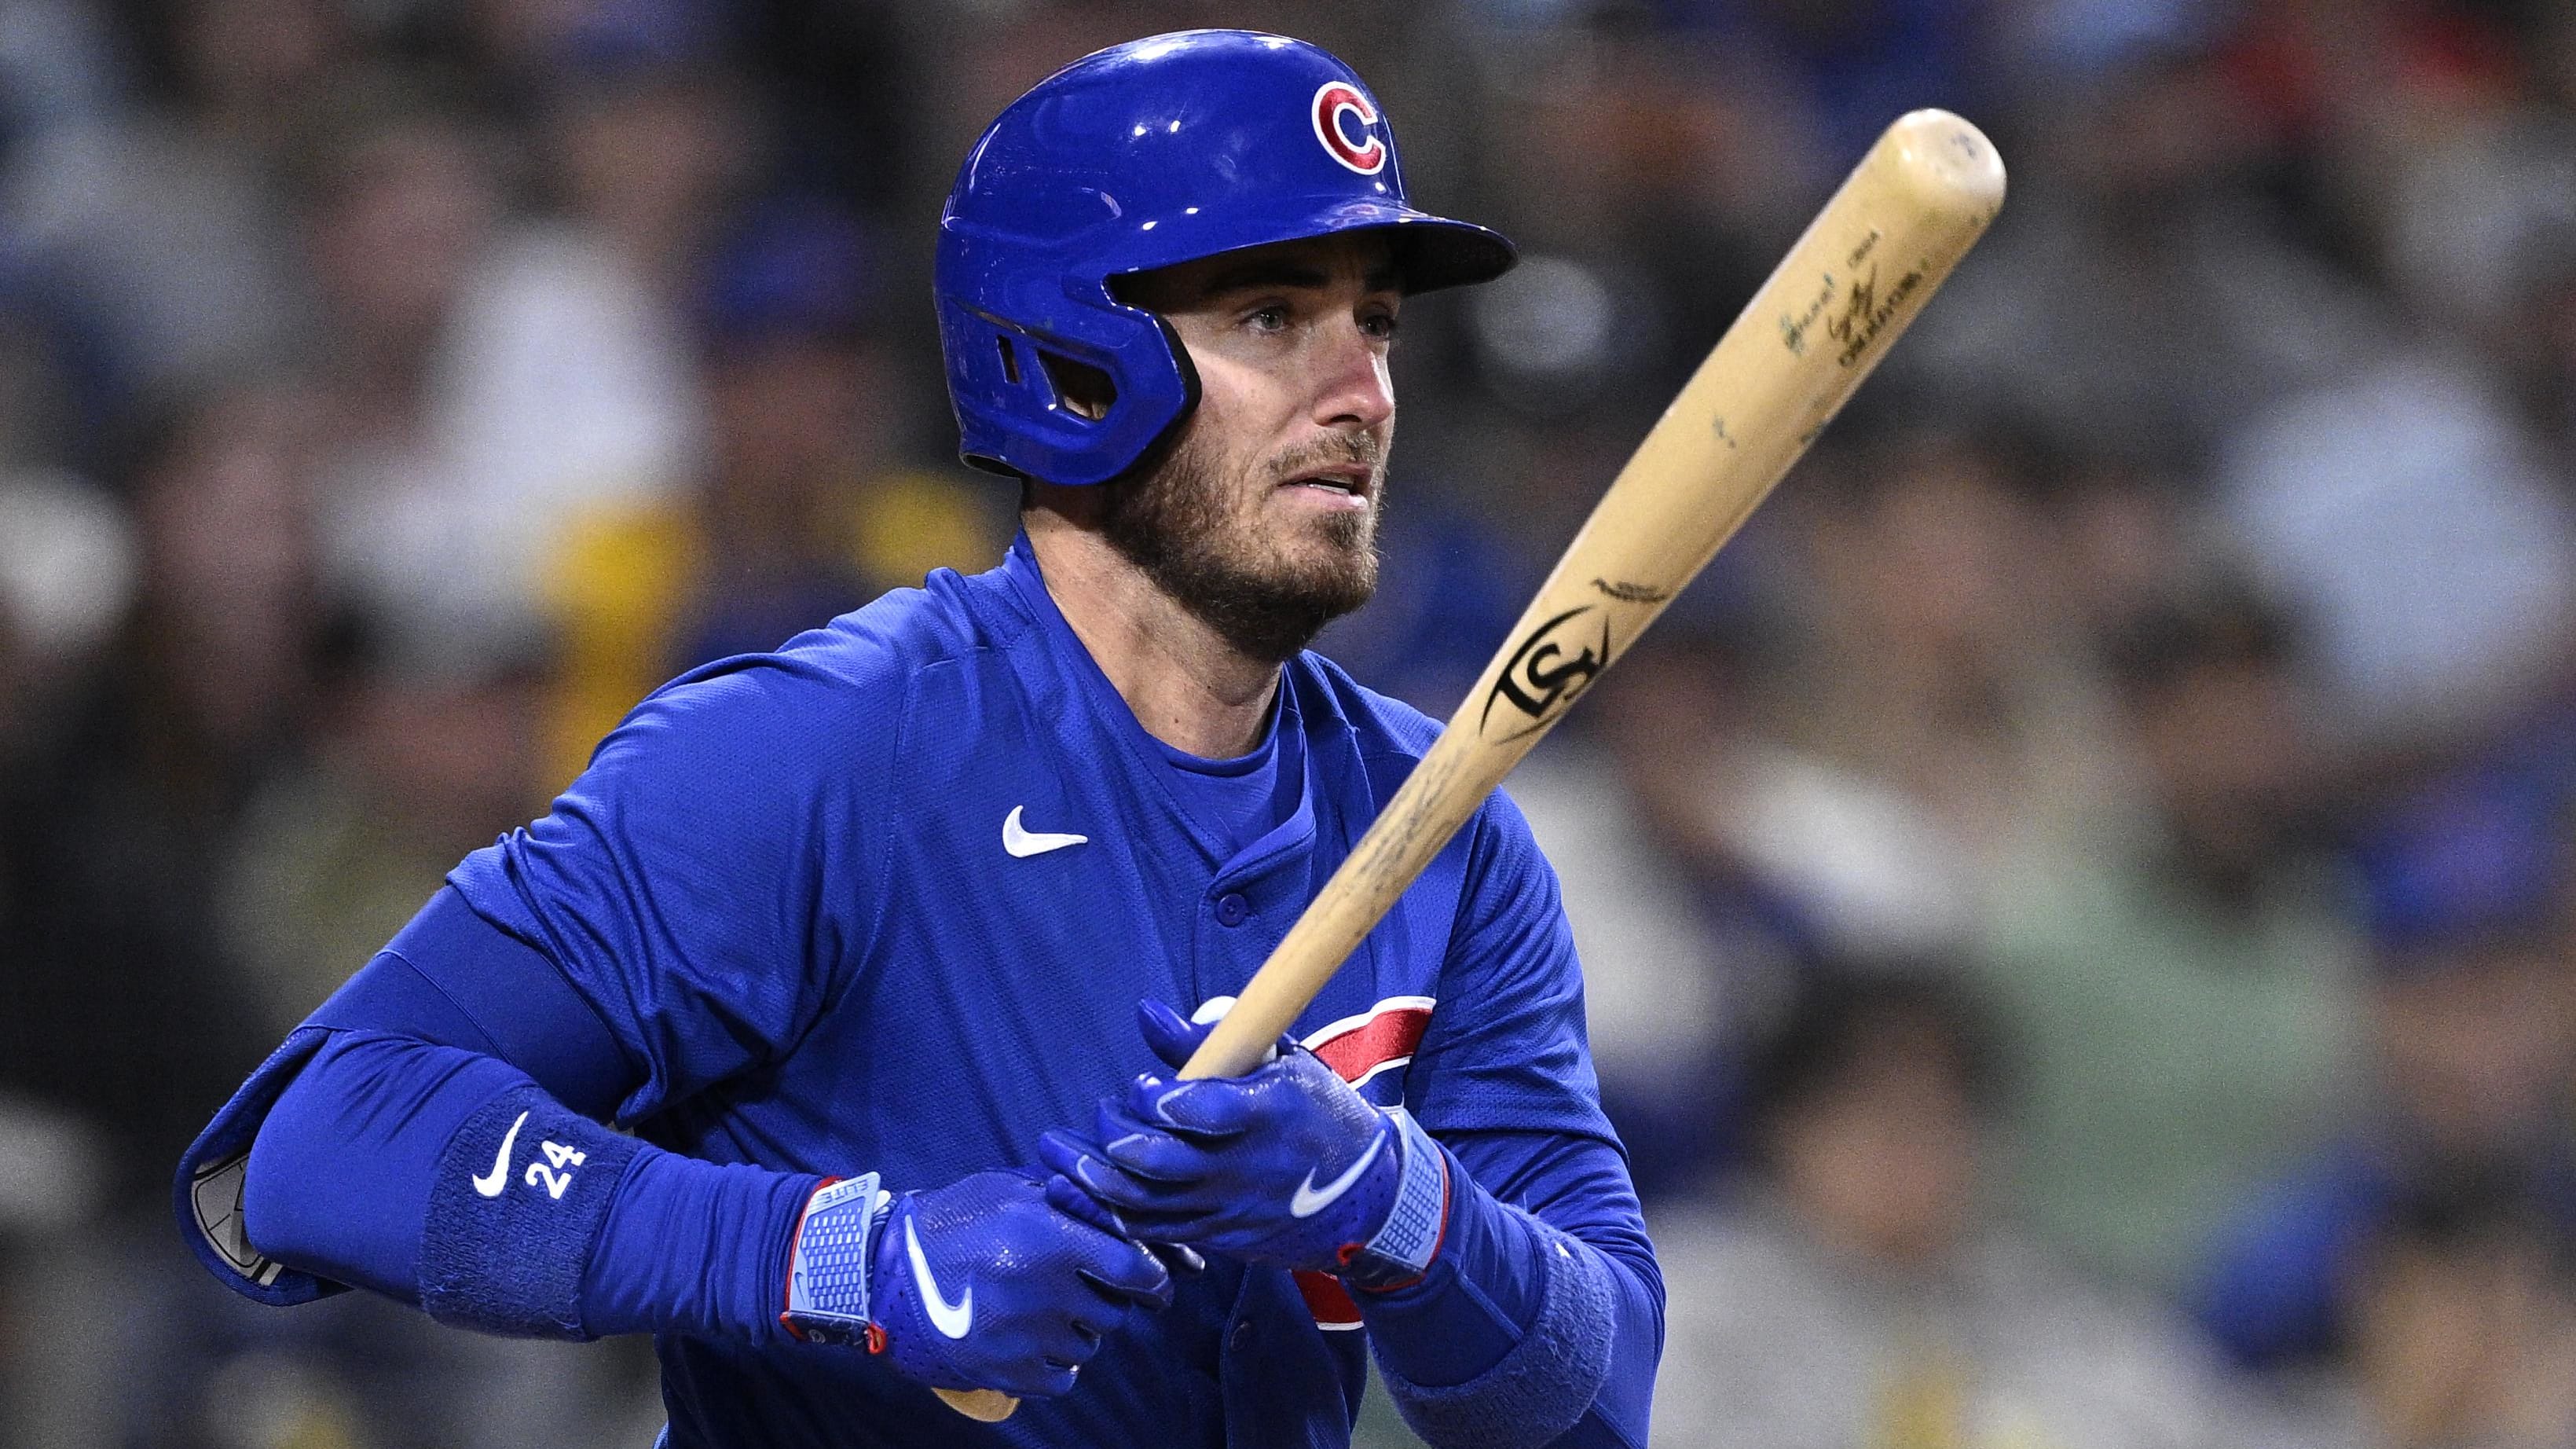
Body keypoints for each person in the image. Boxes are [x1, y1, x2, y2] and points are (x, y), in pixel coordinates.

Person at [173, 31, 1663, 1449]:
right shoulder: (820, 752)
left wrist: (1394, 1203)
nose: (1363, 397)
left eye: (1378, 324)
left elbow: (1598, 1403)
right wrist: (849, 1263)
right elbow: (316, 1143)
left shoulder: (1443, 831)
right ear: (1070, 359)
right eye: (1272, 318)